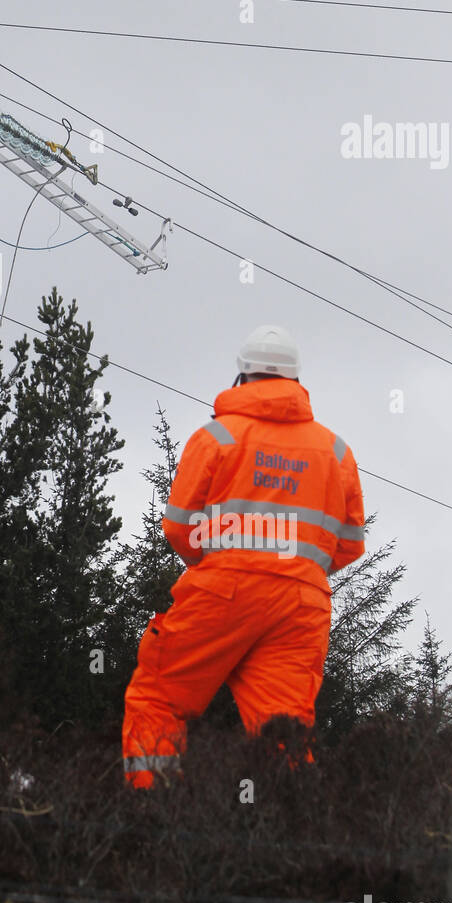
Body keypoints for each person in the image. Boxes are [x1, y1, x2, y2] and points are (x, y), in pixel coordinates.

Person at [121, 325, 366, 788]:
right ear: (297, 383)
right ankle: (293, 837)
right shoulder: (335, 451)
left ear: (242, 378)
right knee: (285, 730)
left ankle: (149, 814)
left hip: (223, 590)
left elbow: (178, 526)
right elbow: (350, 542)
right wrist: (294, 568)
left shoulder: (218, 437)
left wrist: (222, 567)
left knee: (159, 695)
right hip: (301, 603)